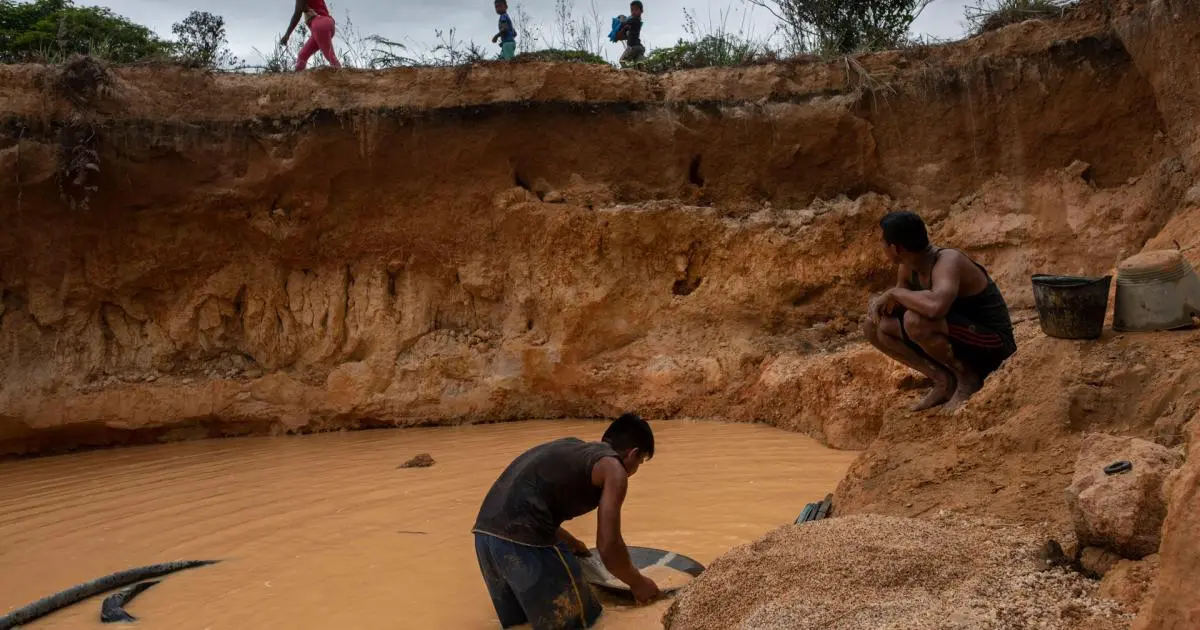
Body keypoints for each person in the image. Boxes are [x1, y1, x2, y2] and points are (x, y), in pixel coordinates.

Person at [473, 413, 661, 629]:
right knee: (586, 622)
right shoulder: (614, 470)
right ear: (633, 453)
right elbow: (609, 545)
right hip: (524, 542)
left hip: (485, 538)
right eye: (641, 461)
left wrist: (574, 544)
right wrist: (638, 583)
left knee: (522, 624)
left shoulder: (574, 448)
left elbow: (526, 505)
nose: (636, 469)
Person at [862, 211, 1017, 412]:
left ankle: (968, 379)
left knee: (915, 321)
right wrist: (880, 305)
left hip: (994, 344)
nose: (882, 247)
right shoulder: (908, 267)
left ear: (897, 248)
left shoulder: (948, 261)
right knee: (874, 326)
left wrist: (896, 294)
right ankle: (943, 380)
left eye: (883, 243)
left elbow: (936, 307)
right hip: (960, 339)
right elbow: (899, 305)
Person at [280, 0, 341, 71]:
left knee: (331, 57)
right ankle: (299, 79)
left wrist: (287, 35)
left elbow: (297, 15)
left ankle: (342, 78)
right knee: (302, 55)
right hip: (328, 23)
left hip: (319, 24)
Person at [614, 1, 645, 65]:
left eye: (636, 9)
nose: (633, 12)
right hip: (639, 47)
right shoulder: (632, 26)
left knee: (622, 61)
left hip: (633, 47)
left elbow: (625, 22)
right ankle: (642, 65)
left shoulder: (636, 20)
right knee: (639, 63)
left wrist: (621, 20)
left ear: (641, 11)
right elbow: (622, 36)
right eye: (632, 10)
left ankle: (628, 73)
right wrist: (624, 29)